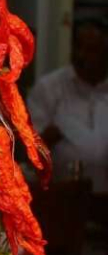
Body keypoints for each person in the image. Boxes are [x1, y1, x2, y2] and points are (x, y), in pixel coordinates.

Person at [27, 19, 108, 195]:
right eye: (79, 47)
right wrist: (46, 140)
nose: (83, 56)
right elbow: (28, 151)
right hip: (60, 197)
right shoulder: (49, 88)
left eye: (92, 49)